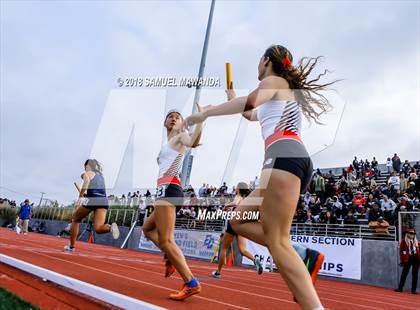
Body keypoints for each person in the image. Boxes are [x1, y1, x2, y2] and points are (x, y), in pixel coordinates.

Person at [183, 45, 336, 310]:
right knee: (239, 220)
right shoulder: (279, 89)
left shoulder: (274, 80)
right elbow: (251, 114)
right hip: (287, 160)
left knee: (278, 241)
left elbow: (250, 101)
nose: (257, 66)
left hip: (282, 160)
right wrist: (231, 95)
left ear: (266, 61)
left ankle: (311, 293)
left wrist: (205, 113)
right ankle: (301, 255)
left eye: (258, 61)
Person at [142, 108, 204, 301]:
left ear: (181, 123)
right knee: (147, 228)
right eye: (170, 116)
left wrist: (201, 120)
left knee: (167, 240)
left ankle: (191, 283)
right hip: (163, 190)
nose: (174, 118)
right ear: (165, 122)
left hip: (170, 189)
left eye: (178, 117)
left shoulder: (180, 137)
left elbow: (193, 142)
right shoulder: (166, 144)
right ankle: (169, 256)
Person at [64, 159, 120, 253]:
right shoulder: (101, 175)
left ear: (88, 166)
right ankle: (110, 227)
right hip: (103, 201)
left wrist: (81, 196)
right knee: (98, 228)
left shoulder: (88, 173)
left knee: (75, 219)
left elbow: (86, 183)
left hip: (93, 200)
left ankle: (72, 246)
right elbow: (93, 185)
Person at [211, 182, 263, 278]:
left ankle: (218, 272)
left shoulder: (238, 196)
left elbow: (235, 203)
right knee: (243, 250)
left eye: (236, 187)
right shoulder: (247, 199)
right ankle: (255, 260)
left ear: (238, 189)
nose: (235, 188)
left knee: (224, 249)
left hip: (233, 224)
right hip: (241, 224)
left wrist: (226, 206)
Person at [395, 228, 420, 294]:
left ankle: (413, 290)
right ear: (407, 234)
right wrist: (402, 260)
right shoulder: (404, 241)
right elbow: (401, 252)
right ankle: (400, 288)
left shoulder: (417, 242)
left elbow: (418, 251)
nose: (412, 235)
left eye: (413, 234)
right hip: (408, 258)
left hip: (416, 258)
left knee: (415, 275)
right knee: (404, 274)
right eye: (411, 233)